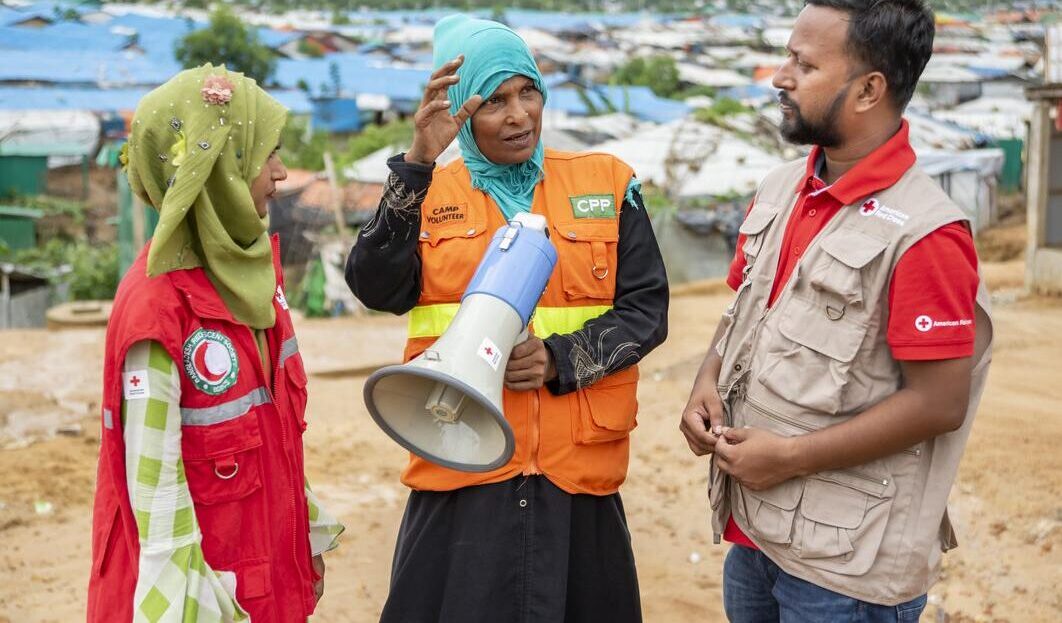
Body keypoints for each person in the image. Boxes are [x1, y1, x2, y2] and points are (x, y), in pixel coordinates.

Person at [346, 15, 668, 623]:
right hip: (463, 461)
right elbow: (374, 285)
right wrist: (416, 161)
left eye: (529, 92)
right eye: (494, 100)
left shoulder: (607, 183)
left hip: (576, 474)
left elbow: (647, 311)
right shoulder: (428, 191)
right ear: (461, 111)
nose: (519, 115)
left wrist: (559, 359)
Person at [679, 1, 993, 621]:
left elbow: (939, 403)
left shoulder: (926, 234)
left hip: (844, 569)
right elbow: (746, 310)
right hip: (759, 533)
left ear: (869, 89)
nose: (780, 76)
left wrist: (789, 457)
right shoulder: (782, 187)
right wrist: (706, 380)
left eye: (804, 63)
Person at [87, 64, 344, 622]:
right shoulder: (157, 311)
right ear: (218, 167)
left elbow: (276, 439)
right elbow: (158, 511)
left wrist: (304, 541)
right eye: (264, 155)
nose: (279, 173)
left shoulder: (250, 283)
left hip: (264, 590)